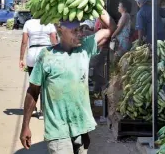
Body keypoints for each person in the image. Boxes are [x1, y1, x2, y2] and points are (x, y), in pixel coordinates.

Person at [19, 10, 116, 154]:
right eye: (75, 30)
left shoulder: (85, 48)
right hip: (58, 130)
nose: (80, 34)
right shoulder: (46, 56)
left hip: (81, 127)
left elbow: (110, 28)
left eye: (81, 29)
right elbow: (33, 91)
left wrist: (97, 7)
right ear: (60, 29)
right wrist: (25, 126)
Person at [19, 19, 58, 119]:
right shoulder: (49, 23)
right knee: (46, 85)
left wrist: (21, 58)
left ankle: (32, 109)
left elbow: (24, 42)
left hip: (32, 55)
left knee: (33, 84)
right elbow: (53, 39)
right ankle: (43, 111)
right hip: (46, 54)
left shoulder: (28, 23)